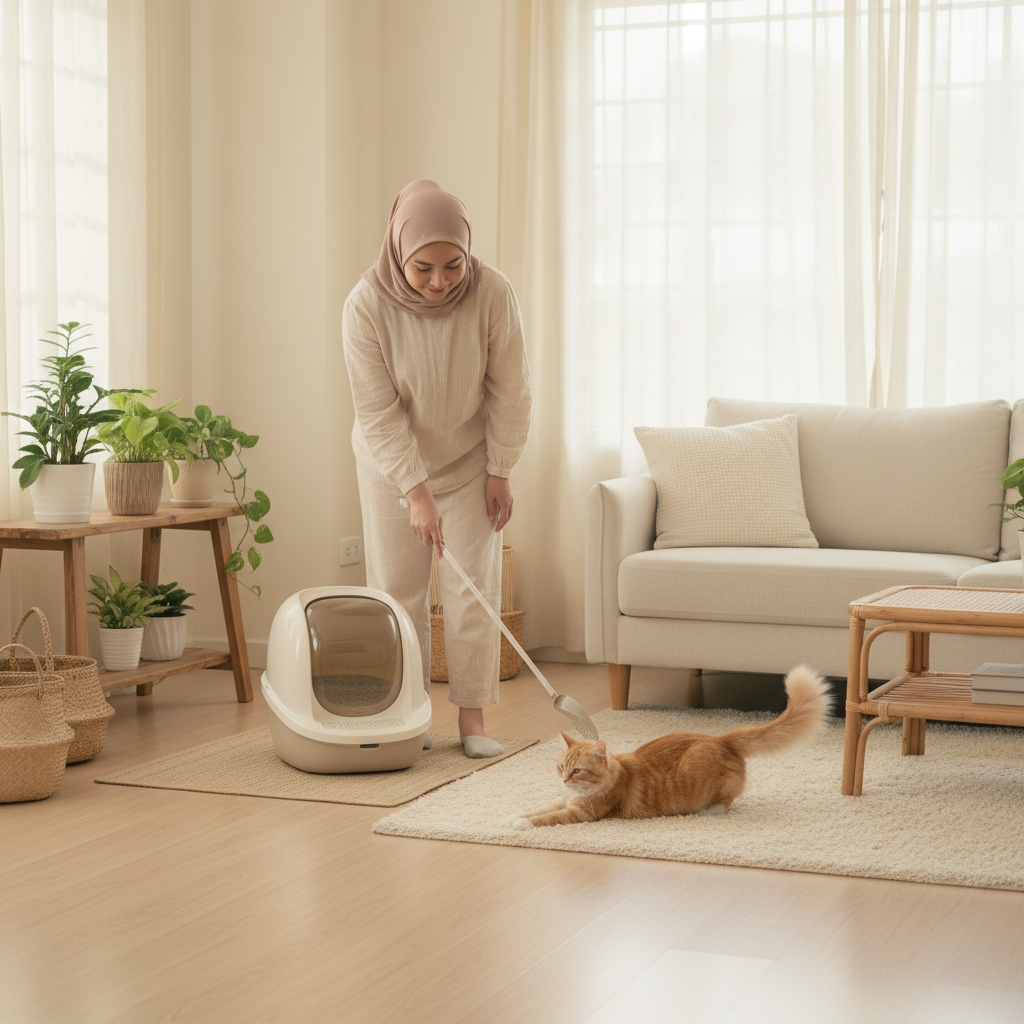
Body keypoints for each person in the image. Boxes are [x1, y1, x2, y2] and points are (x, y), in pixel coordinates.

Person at [342, 180, 532, 758]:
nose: (439, 281)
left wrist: (501, 468)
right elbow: (378, 412)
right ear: (398, 251)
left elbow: (511, 389)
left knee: (472, 591)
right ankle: (410, 713)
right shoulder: (364, 306)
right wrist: (415, 492)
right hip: (391, 468)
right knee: (398, 593)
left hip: (470, 462)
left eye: (453, 265)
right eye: (423, 268)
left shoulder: (493, 292)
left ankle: (472, 720)